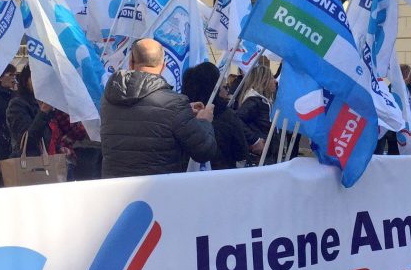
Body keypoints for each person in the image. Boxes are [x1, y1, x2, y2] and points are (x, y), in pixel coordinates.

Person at [100, 39, 217, 177]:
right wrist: (204, 121)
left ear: (130, 62)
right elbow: (204, 150)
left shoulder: (109, 98)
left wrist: (184, 111)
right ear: (163, 66)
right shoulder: (174, 103)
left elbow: (140, 115)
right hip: (157, 191)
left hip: (115, 189)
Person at [183, 62, 250, 169]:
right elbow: (241, 152)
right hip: (222, 177)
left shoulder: (180, 115)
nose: (225, 89)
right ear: (214, 87)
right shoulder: (226, 116)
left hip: (184, 178)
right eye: (224, 86)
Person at [7, 65, 53, 158]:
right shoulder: (17, 104)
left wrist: (58, 147)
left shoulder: (41, 102)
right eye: (35, 77)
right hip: (28, 164)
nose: (40, 82)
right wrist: (43, 112)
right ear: (25, 81)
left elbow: (45, 135)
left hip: (44, 160)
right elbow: (27, 140)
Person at [236, 64, 279, 164]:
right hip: (259, 159)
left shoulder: (264, 101)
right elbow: (237, 119)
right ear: (263, 81)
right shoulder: (254, 101)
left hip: (267, 156)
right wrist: (255, 140)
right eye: (271, 78)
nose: (275, 81)